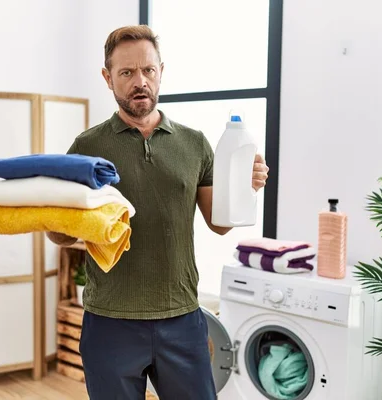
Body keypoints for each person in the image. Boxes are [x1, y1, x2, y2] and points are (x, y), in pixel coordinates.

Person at [47, 25, 269, 400]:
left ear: (161, 71)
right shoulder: (87, 146)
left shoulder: (194, 143)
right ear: (108, 78)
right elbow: (60, 235)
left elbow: (218, 224)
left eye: (148, 71)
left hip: (181, 319)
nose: (140, 82)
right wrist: (51, 210)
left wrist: (244, 188)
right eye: (127, 72)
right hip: (110, 322)